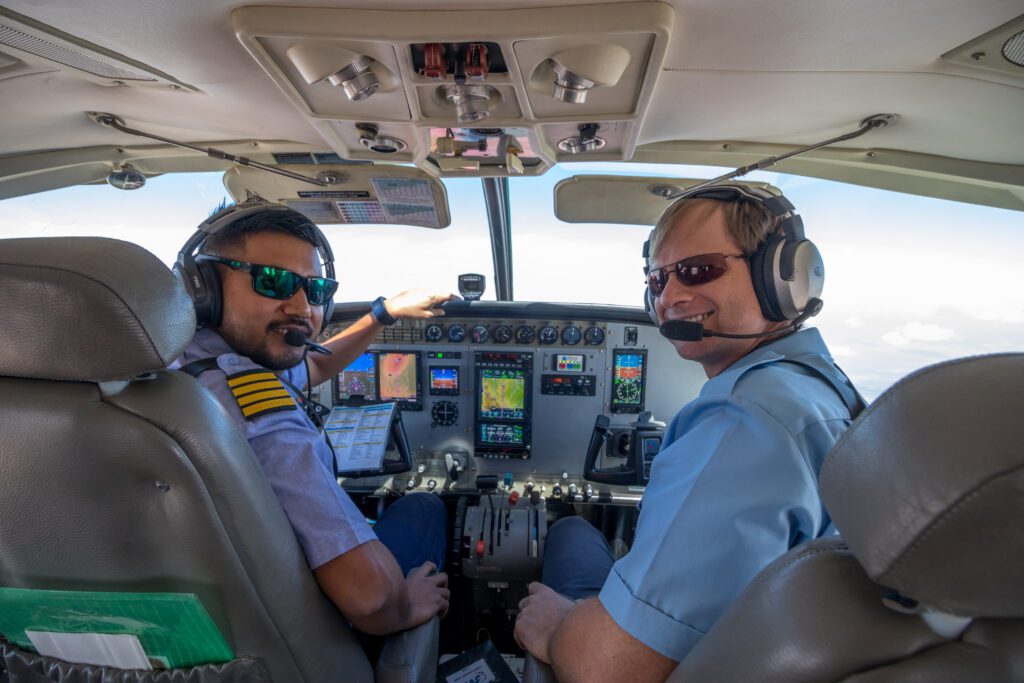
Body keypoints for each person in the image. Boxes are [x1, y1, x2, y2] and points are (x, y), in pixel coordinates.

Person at [515, 186, 865, 682]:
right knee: (575, 531)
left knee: (568, 533)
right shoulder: (817, 387)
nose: (670, 297)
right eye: (658, 279)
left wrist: (555, 627)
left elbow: (611, 670)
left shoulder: (744, 421)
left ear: (783, 276)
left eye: (699, 270)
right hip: (771, 647)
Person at [171, 201, 456, 637]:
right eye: (274, 281)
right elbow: (370, 596)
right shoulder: (259, 410)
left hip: (224, 604)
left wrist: (383, 313)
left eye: (316, 289)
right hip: (305, 631)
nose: (302, 306)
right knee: (424, 505)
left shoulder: (188, 361)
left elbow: (316, 367)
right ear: (203, 286)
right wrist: (403, 603)